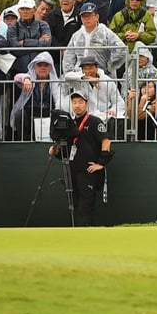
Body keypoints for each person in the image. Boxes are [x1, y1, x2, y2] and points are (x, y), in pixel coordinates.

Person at [49, 90, 113, 226]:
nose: (77, 105)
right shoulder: (69, 124)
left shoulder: (94, 121)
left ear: (86, 104)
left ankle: (84, 235)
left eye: (80, 102)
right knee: (75, 204)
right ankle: (77, 234)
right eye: (74, 102)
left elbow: (106, 140)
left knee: (85, 206)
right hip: (73, 170)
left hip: (88, 171)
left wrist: (101, 163)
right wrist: (56, 151)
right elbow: (67, 148)